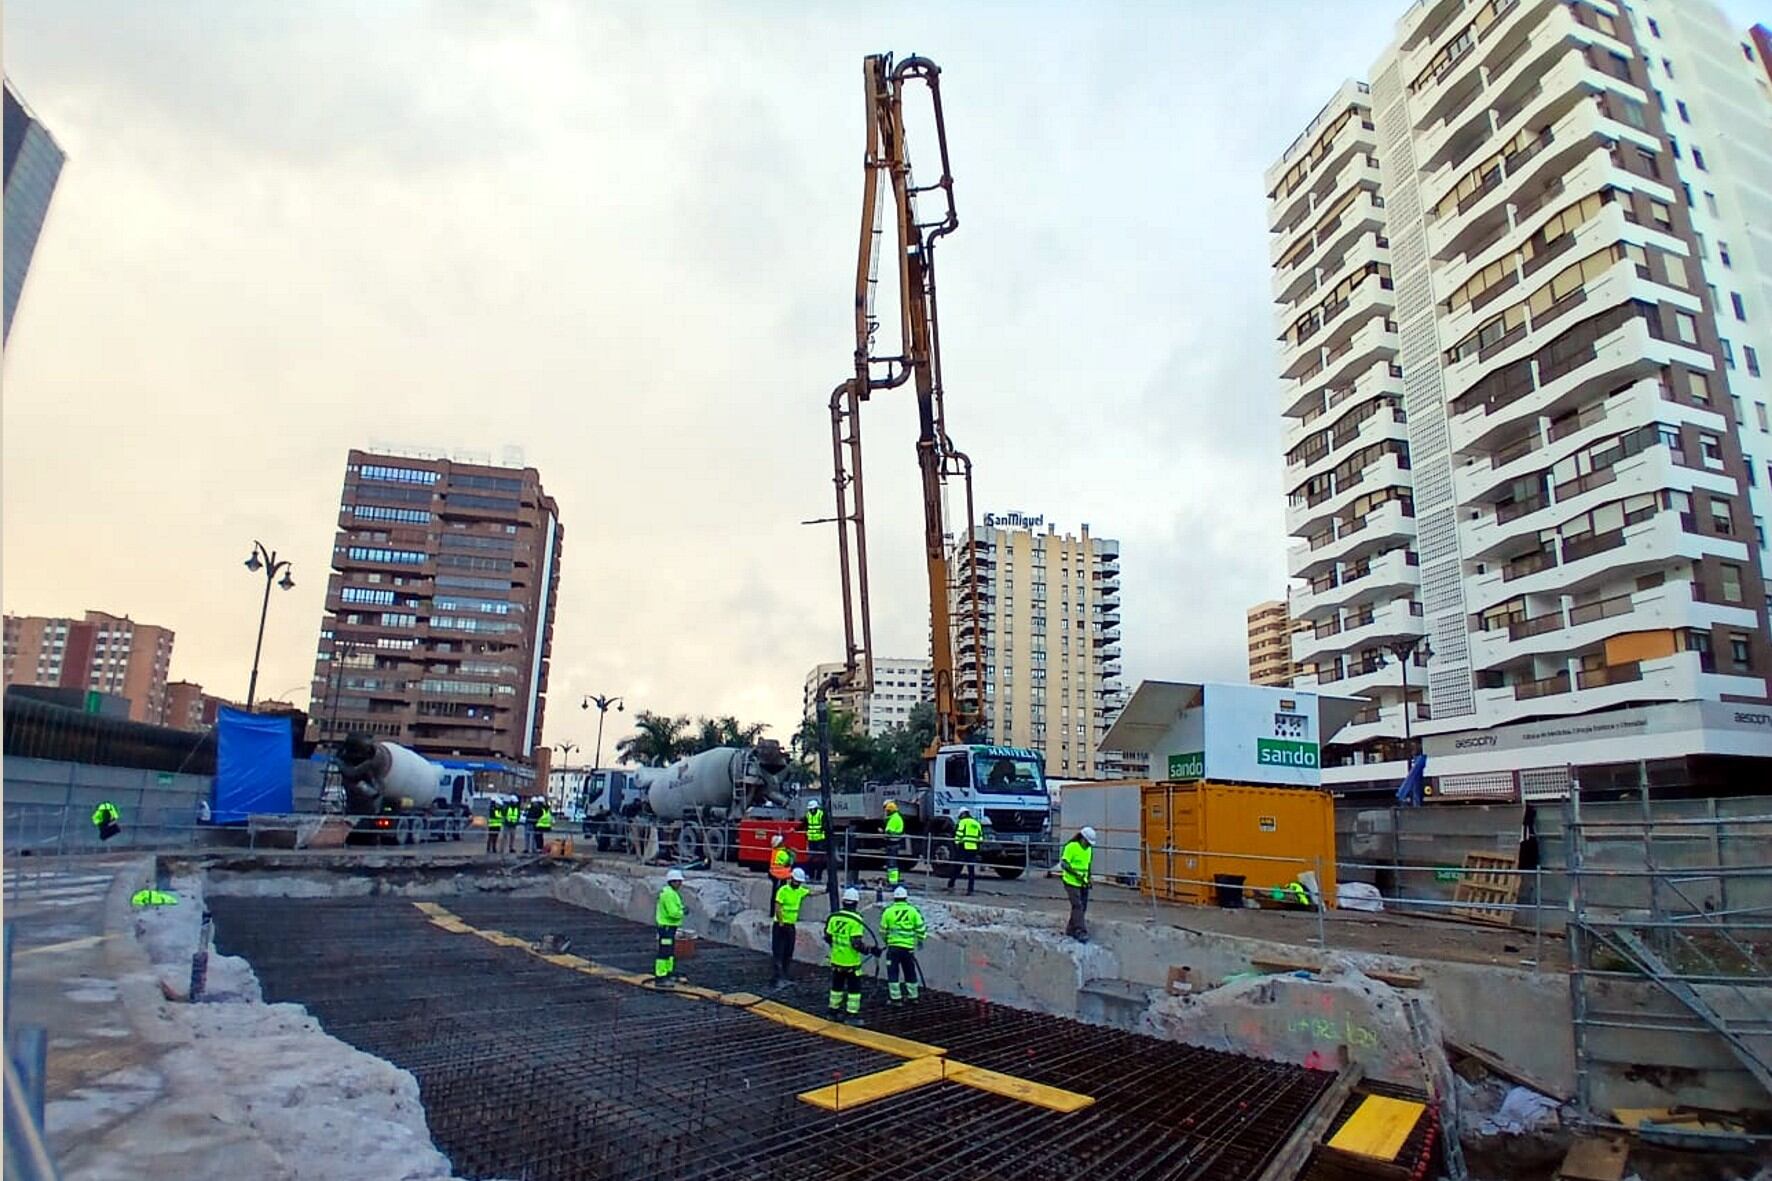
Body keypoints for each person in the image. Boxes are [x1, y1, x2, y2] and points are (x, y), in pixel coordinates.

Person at [824, 886, 873, 1022]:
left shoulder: (834, 917)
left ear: (844, 901)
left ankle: (832, 1011)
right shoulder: (856, 920)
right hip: (851, 962)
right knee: (854, 990)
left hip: (836, 960)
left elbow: (828, 937)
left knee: (836, 987)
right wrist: (870, 950)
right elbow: (856, 944)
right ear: (856, 903)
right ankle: (851, 1015)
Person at [879, 886, 927, 1006]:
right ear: (906, 898)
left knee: (893, 973)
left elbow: (882, 930)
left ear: (894, 898)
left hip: (893, 948)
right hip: (908, 948)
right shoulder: (913, 911)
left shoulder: (888, 912)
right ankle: (913, 996)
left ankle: (896, 999)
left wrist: (887, 941)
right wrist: (920, 940)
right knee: (910, 972)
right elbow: (921, 928)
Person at [771, 867, 812, 988]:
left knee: (788, 951)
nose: (798, 883)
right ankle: (777, 977)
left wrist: (826, 890)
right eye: (796, 881)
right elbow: (777, 907)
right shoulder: (783, 890)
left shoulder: (799, 891)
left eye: (799, 882)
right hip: (780, 925)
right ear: (791, 879)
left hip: (790, 925)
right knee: (778, 951)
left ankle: (785, 974)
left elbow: (811, 893)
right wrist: (781, 922)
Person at [1061, 826, 1095, 941]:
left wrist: (1089, 878)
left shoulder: (1089, 850)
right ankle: (1080, 930)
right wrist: (1076, 874)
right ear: (1083, 839)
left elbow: (1088, 865)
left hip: (1083, 882)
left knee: (1082, 907)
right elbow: (1064, 864)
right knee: (1077, 905)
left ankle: (1070, 929)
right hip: (1071, 881)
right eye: (1088, 842)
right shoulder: (1071, 847)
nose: (1089, 845)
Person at [655, 868, 687, 986]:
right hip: (666, 928)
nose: (680, 884)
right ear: (672, 881)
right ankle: (661, 976)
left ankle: (668, 973)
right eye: (678, 881)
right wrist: (683, 912)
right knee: (664, 952)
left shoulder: (671, 893)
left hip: (670, 928)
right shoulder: (669, 894)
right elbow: (673, 913)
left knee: (669, 951)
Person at [945, 808, 984, 896]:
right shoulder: (976, 823)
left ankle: (951, 884)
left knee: (958, 868)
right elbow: (980, 838)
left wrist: (956, 844)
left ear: (962, 814)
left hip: (963, 848)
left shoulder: (962, 822)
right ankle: (970, 890)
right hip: (973, 849)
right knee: (971, 871)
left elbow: (958, 835)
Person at [804, 799, 828, 883]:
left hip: (820, 840)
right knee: (810, 860)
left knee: (820, 860)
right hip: (811, 840)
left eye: (812, 808)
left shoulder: (821, 814)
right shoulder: (808, 815)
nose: (811, 810)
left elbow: (825, 825)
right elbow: (804, 824)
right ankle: (811, 876)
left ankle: (818, 877)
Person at [883, 800, 905, 888]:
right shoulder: (896, 817)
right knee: (891, 863)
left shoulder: (894, 819)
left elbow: (889, 831)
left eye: (887, 811)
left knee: (892, 864)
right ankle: (892, 880)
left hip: (893, 843)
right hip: (893, 843)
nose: (886, 812)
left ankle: (892, 882)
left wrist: (884, 832)